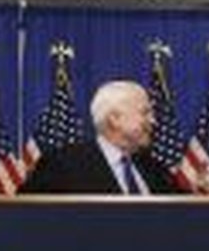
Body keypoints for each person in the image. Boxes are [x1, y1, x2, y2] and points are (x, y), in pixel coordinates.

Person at [20, 80, 177, 194]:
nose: (153, 120)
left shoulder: (154, 168)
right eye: (145, 112)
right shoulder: (62, 165)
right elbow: (27, 214)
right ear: (114, 119)